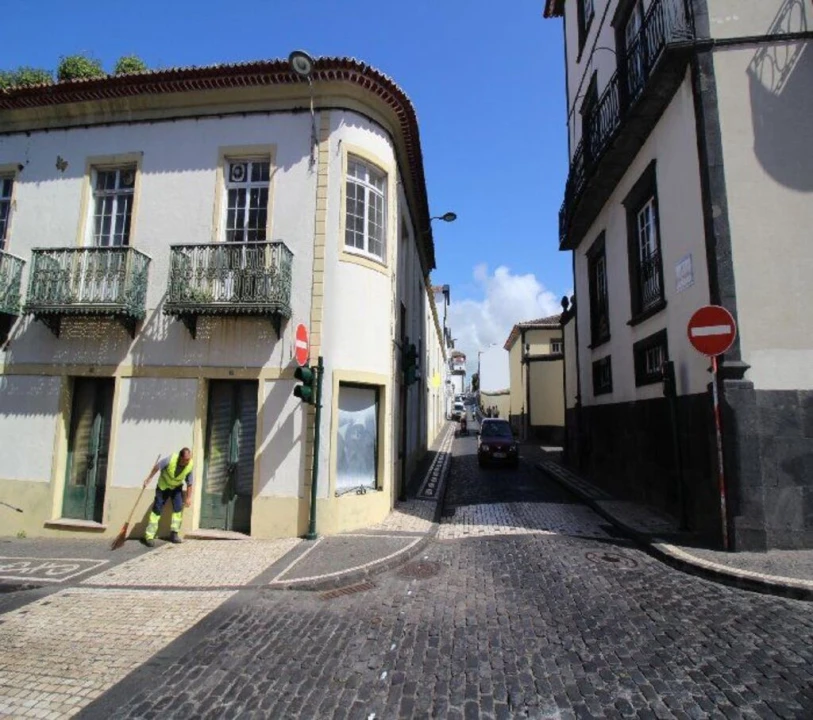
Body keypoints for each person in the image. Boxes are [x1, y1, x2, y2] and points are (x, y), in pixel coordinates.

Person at [142, 447, 194, 547]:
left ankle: (174, 534)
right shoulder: (170, 459)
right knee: (157, 510)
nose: (188, 461)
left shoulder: (190, 465)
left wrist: (188, 497)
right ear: (181, 458)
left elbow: (190, 483)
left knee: (178, 509)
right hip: (163, 486)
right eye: (186, 459)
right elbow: (157, 467)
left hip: (176, 488)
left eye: (189, 459)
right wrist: (149, 478)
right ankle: (149, 536)